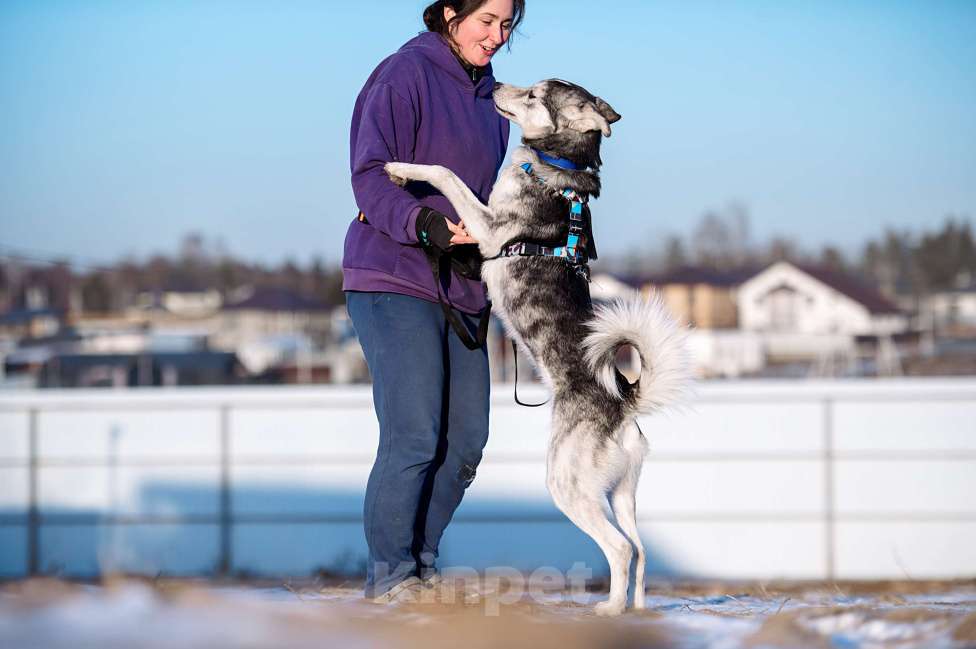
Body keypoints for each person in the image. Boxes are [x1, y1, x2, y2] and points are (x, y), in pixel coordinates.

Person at [342, 0, 525, 603]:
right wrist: (426, 225)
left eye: (507, 25)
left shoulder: (495, 102)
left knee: (466, 442)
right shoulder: (404, 74)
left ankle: (420, 563)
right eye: (486, 22)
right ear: (450, 12)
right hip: (393, 273)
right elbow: (370, 174)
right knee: (415, 434)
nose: (497, 36)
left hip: (464, 283)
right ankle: (393, 579)